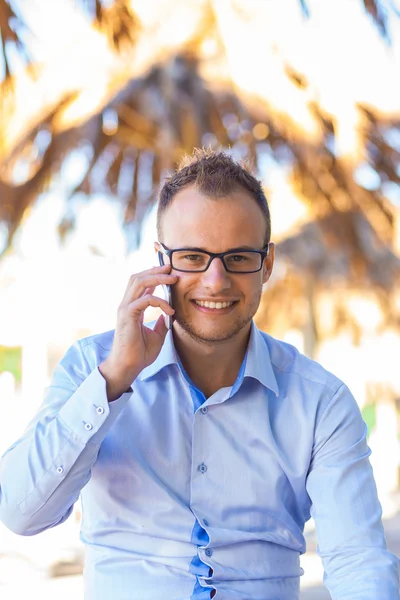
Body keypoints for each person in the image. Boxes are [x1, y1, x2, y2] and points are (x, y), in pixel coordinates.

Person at [0, 149, 399, 600]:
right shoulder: (89, 367)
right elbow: (21, 513)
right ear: (159, 261)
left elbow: (358, 561)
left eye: (238, 257)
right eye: (192, 257)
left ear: (266, 264)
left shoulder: (321, 403)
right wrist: (113, 380)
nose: (215, 281)